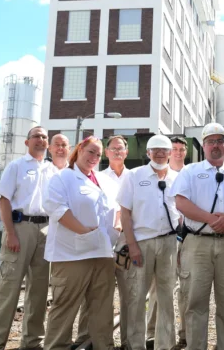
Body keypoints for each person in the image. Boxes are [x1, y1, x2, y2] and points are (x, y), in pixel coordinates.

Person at [170, 123, 224, 350]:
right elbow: (180, 202)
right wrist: (211, 219)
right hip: (198, 244)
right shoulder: (190, 171)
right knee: (195, 301)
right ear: (204, 145)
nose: (215, 146)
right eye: (211, 141)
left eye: (220, 141)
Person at [43, 136, 119, 350]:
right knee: (65, 306)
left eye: (98, 154)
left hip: (102, 253)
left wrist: (116, 230)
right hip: (72, 255)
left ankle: (104, 346)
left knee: (102, 307)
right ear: (80, 149)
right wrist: (85, 232)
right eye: (90, 151)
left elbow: (117, 208)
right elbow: (57, 209)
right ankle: (56, 346)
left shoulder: (104, 180)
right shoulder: (63, 178)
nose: (94, 157)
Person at [0, 126, 52, 350]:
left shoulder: (52, 170)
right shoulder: (16, 166)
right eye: (36, 136)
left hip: (45, 230)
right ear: (27, 142)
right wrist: (11, 233)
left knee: (39, 292)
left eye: (44, 137)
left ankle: (32, 343)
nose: (41, 140)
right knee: (8, 289)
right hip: (20, 228)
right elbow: (4, 200)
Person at [118, 134, 180, 350]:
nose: (160, 153)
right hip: (141, 243)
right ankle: (136, 344)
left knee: (166, 297)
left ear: (170, 153)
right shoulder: (134, 176)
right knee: (137, 297)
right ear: (148, 153)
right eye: (156, 150)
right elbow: (125, 213)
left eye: (164, 150)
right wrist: (132, 245)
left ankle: (165, 344)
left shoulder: (176, 178)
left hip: (169, 243)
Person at [75, 135, 130, 347]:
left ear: (126, 152)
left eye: (121, 148)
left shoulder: (133, 177)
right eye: (113, 148)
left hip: (125, 244)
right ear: (106, 152)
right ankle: (85, 338)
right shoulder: (96, 176)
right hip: (100, 245)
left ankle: (127, 340)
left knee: (128, 296)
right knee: (94, 295)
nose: (117, 151)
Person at [146, 136, 189, 349]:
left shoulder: (188, 175)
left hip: (188, 238)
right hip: (167, 238)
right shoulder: (157, 174)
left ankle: (184, 333)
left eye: (182, 149)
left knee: (185, 287)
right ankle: (153, 332)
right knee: (159, 288)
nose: (178, 152)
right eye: (175, 148)